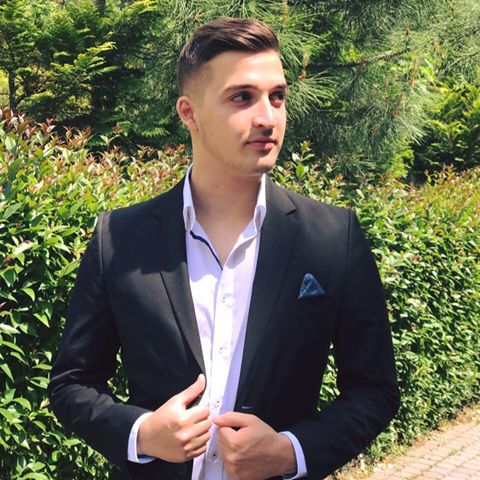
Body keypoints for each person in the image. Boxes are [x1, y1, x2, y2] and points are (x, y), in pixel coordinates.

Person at [48, 17, 400, 480]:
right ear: (189, 113)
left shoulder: (333, 236)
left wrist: (290, 452)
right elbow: (72, 383)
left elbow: (374, 390)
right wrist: (142, 434)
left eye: (277, 96)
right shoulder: (121, 238)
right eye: (242, 97)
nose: (267, 117)